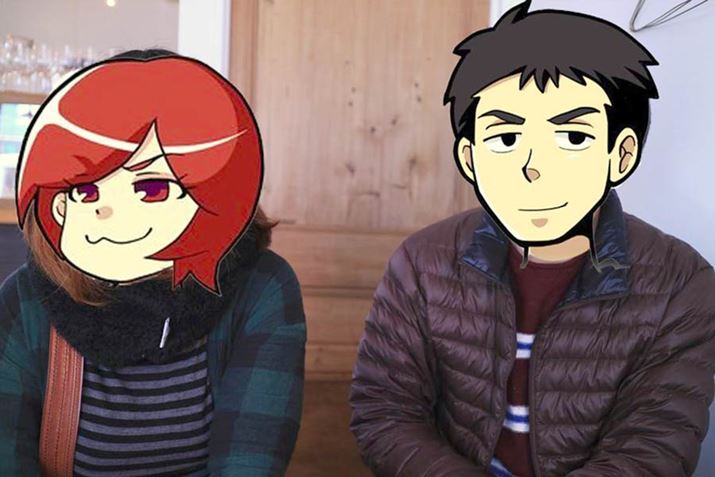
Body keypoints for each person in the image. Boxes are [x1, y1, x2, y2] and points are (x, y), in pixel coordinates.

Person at [349, 2, 715, 476]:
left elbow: (654, 446)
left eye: (573, 138)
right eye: (505, 139)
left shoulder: (682, 283)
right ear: (470, 157)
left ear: (621, 154)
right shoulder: (421, 262)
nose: (533, 168)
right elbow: (385, 410)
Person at [0, 49, 306, 476]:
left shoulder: (261, 287)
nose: (109, 212)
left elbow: (249, 459)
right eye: (86, 191)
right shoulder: (28, 301)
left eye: (151, 190)